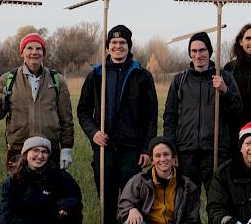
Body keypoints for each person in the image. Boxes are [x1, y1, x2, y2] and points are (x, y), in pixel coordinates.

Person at [77, 25, 159, 224]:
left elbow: (151, 116)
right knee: (107, 203)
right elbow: (83, 111)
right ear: (107, 46)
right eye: (113, 42)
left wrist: (147, 149)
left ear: (129, 46)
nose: (117, 46)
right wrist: (93, 132)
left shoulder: (141, 75)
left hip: (131, 152)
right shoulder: (97, 74)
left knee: (132, 206)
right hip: (104, 151)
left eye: (122, 42)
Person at [164, 31, 242, 196]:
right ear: (190, 53)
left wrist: (224, 90)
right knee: (187, 200)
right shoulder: (180, 80)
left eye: (202, 50)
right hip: (186, 152)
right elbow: (170, 117)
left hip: (215, 152)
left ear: (209, 51)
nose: (198, 55)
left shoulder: (224, 77)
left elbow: (237, 110)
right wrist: (172, 150)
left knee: (217, 199)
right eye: (194, 51)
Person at [0, 33, 74, 171]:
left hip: (48, 150)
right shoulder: (8, 79)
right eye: (29, 48)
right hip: (18, 150)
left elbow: (66, 119)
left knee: (48, 191)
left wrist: (66, 148)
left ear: (43, 53)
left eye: (38, 49)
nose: (34, 52)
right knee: (19, 190)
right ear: (22, 52)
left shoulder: (57, 80)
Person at [0, 136, 83, 224]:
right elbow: (4, 213)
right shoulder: (13, 181)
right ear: (26, 154)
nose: (40, 156)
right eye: (35, 150)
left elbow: (75, 199)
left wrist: (65, 206)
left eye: (44, 152)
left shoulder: (60, 177)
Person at [117, 137, 201, 224]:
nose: (162, 159)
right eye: (157, 155)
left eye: (166, 154)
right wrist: (132, 210)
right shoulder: (139, 181)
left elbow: (192, 219)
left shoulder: (187, 186)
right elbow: (124, 206)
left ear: (173, 158)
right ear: (152, 160)